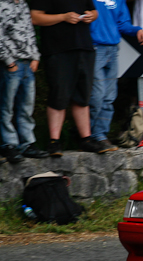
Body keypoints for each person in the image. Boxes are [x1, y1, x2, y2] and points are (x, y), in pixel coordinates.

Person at [30, 0, 101, 157]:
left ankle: (86, 138)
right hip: (58, 49)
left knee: (83, 95)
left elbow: (94, 11)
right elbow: (35, 17)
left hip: (84, 46)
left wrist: (91, 16)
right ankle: (54, 141)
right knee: (59, 94)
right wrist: (63, 17)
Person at [89, 0, 143, 152]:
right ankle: (87, 136)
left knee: (109, 97)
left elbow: (123, 24)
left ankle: (100, 135)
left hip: (113, 49)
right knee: (96, 95)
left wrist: (137, 30)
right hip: (94, 47)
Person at [0, 0, 49, 163]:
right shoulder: (2, 5)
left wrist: (35, 56)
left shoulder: (22, 4)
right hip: (11, 64)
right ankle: (9, 144)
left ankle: (27, 144)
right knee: (7, 107)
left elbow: (30, 31)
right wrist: (9, 62)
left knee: (26, 106)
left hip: (28, 64)